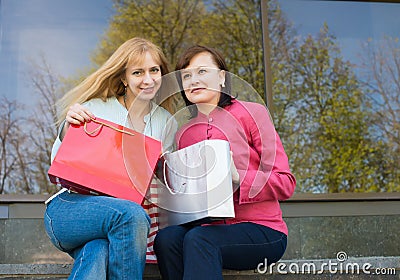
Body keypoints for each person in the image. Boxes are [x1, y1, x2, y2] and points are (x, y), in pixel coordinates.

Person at [153, 45, 296, 279]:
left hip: (262, 229)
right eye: (186, 76)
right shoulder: (183, 133)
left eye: (202, 72)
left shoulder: (253, 113)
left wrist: (239, 177)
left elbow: (286, 182)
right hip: (206, 230)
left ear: (221, 77)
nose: (193, 80)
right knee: (167, 239)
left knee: (199, 240)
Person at [44, 37, 177, 280]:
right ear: (124, 78)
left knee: (97, 252)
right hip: (68, 209)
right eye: (138, 72)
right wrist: (67, 126)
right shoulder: (95, 108)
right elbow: (60, 158)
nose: (148, 79)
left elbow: (163, 182)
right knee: (131, 215)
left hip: (117, 221)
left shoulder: (166, 122)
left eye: (154, 70)